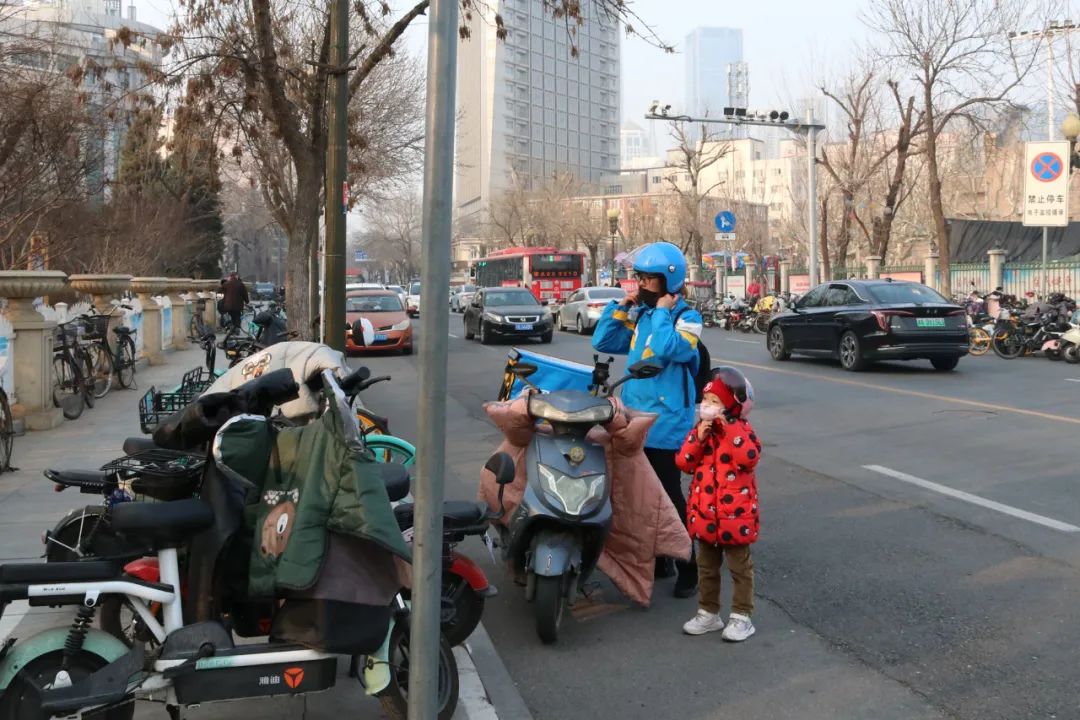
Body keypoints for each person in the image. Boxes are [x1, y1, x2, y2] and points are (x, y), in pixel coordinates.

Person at [593, 241, 704, 598]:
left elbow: (670, 349)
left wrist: (660, 311)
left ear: (669, 282)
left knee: (668, 496)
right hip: (633, 417)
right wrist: (621, 307)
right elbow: (605, 340)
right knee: (640, 496)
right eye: (638, 278)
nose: (640, 285)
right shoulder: (642, 315)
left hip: (666, 422)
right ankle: (661, 558)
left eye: (648, 280)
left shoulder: (688, 318)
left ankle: (690, 566)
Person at [675, 367, 761, 641]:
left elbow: (749, 457)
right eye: (706, 402)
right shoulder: (701, 433)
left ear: (730, 407)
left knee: (739, 567)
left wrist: (729, 428)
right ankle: (708, 612)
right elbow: (684, 463)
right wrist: (698, 437)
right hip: (705, 516)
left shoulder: (741, 430)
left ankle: (741, 616)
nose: (707, 407)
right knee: (707, 568)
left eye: (715, 403)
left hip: (735, 516)